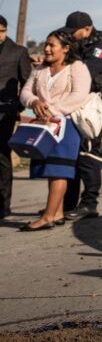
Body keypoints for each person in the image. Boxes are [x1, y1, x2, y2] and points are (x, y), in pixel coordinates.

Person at [18, 30, 91, 230]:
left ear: (66, 49)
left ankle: (48, 216)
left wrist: (52, 111)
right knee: (50, 170)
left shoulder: (77, 67)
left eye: (52, 45)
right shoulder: (40, 69)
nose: (47, 49)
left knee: (59, 170)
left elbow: (78, 95)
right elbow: (25, 91)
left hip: (66, 125)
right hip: (44, 126)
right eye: (46, 45)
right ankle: (57, 213)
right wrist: (33, 102)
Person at [61, 11, 102, 220]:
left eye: (74, 32)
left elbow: (84, 73)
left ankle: (89, 204)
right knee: (71, 156)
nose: (71, 36)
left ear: (87, 29)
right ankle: (67, 204)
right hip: (73, 104)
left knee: (88, 155)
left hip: (90, 105)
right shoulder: (78, 47)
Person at [0, 15, 33, 220]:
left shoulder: (18, 51)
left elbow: (27, 83)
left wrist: (17, 106)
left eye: (1, 30)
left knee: (2, 157)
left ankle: (3, 204)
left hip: (5, 112)